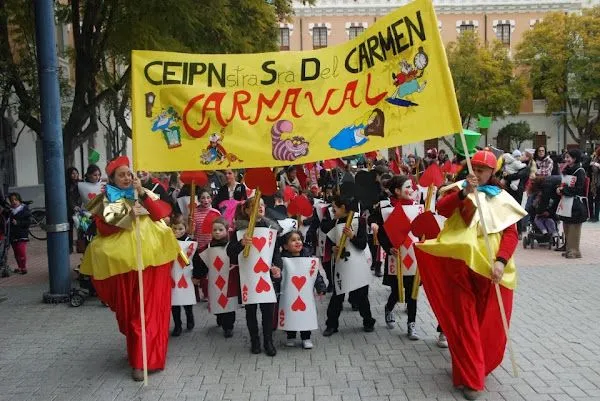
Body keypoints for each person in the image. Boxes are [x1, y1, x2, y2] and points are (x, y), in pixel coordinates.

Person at [415, 150, 526, 400]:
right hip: (460, 263)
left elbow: (511, 234)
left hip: (490, 268)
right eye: (473, 167)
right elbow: (442, 209)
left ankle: (474, 366)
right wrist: (464, 192)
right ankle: (472, 379)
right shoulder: (457, 188)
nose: (477, 172)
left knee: (485, 320)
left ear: (492, 172)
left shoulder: (503, 198)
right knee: (464, 319)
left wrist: (500, 262)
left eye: (482, 169)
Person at [79, 156, 180, 381]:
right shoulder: (105, 198)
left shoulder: (145, 192)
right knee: (132, 314)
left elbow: (162, 213)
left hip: (154, 259)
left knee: (148, 312)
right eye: (121, 174)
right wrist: (127, 214)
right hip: (123, 264)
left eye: (129, 173)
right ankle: (139, 351)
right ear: (112, 178)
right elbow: (103, 228)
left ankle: (143, 361)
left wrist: (142, 193)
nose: (126, 177)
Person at [227, 197, 282, 356]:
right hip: (248, 278)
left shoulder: (271, 229)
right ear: (247, 210)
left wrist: (278, 267)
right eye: (255, 205)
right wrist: (240, 244)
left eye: (263, 205)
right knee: (251, 311)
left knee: (267, 310)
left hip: (266, 277)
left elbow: (275, 253)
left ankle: (268, 341)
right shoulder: (239, 231)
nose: (260, 207)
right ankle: (255, 341)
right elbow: (230, 253)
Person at [322, 196, 376, 336]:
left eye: (335, 207)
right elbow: (332, 241)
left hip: (358, 264)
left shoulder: (360, 221)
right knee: (337, 296)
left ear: (343, 208)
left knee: (362, 296)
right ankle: (331, 325)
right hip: (341, 264)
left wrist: (352, 236)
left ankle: (368, 321)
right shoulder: (335, 222)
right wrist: (334, 248)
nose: (332, 210)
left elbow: (362, 244)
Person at [376, 176, 421, 340]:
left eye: (412, 186)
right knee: (396, 291)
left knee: (413, 292)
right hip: (396, 257)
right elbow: (381, 234)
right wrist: (389, 248)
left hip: (414, 257)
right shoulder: (387, 209)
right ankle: (389, 308)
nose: (412, 190)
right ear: (397, 191)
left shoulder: (419, 209)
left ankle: (411, 325)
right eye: (407, 187)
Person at [281, 230, 327, 350]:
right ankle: (290, 335)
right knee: (289, 312)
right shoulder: (283, 260)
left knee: (305, 313)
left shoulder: (308, 258)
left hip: (305, 294)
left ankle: (306, 337)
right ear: (286, 246)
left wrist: (320, 286)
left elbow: (315, 274)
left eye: (299, 239)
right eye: (293, 240)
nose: (297, 242)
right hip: (289, 293)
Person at [196, 217, 237, 338]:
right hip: (214, 280)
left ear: (227, 230)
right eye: (215, 230)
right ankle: (220, 317)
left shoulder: (231, 246)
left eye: (220, 229)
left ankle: (228, 327)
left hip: (229, 280)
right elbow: (202, 264)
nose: (217, 232)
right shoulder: (207, 248)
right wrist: (198, 276)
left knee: (229, 304)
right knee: (217, 302)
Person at [169, 214, 199, 337]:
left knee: (187, 301)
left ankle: (190, 318)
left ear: (186, 228)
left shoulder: (190, 242)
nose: (177, 231)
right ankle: (177, 325)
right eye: (174, 228)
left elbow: (196, 260)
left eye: (180, 229)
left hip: (186, 275)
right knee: (174, 302)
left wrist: (197, 275)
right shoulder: (168, 241)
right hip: (172, 275)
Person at [556, 149, 588, 258]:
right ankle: (568, 248)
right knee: (566, 225)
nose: (566, 160)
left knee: (574, 227)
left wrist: (563, 191)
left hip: (576, 204)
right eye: (565, 157)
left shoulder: (580, 171)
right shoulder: (567, 170)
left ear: (574, 159)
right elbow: (562, 183)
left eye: (568, 157)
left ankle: (574, 250)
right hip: (566, 202)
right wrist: (559, 189)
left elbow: (579, 189)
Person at [192, 188, 221, 301]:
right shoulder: (193, 212)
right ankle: (201, 294)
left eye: (208, 197)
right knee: (201, 272)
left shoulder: (215, 212)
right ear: (199, 199)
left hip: (212, 245)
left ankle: (211, 293)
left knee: (212, 271)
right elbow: (191, 230)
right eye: (203, 197)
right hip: (198, 246)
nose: (205, 200)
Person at [8, 192, 31, 275]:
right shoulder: (10, 211)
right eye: (12, 200)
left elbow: (28, 222)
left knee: (21, 250)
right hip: (13, 234)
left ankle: (24, 267)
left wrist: (18, 222)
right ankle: (19, 266)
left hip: (22, 234)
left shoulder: (24, 210)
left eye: (16, 200)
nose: (14, 202)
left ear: (19, 200)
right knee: (16, 252)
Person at [66, 167, 81, 253]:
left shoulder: (80, 183)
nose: (75, 175)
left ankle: (80, 246)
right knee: (70, 229)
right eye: (73, 173)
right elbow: (69, 198)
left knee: (80, 229)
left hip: (79, 208)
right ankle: (70, 247)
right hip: (70, 210)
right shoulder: (67, 185)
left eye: (76, 173)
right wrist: (73, 206)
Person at [588, 146, 600, 223]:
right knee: (592, 199)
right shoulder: (594, 158)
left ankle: (596, 217)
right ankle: (592, 216)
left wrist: (597, 165)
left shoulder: (596, 160)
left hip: (598, 181)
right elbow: (591, 169)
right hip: (594, 181)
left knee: (597, 200)